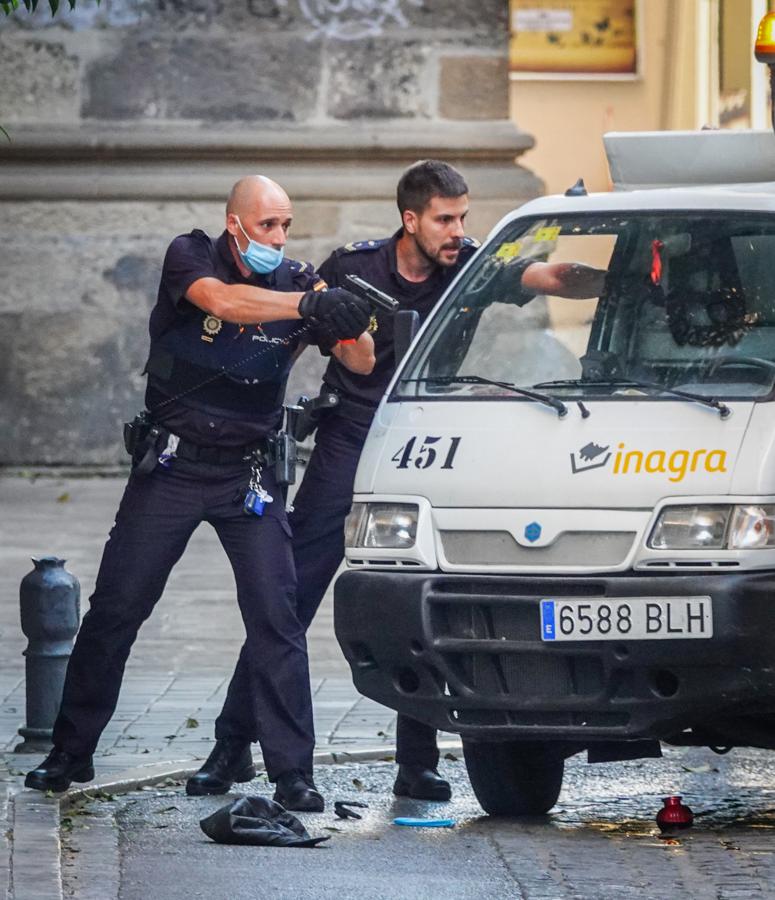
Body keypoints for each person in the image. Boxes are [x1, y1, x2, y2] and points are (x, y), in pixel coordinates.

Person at [188, 163, 609, 803]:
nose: (458, 231)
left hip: (424, 444)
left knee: (417, 591)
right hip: (350, 439)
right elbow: (297, 337)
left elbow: (548, 275)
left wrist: (617, 280)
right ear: (410, 220)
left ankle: (417, 765)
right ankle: (232, 744)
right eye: (445, 218)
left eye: (463, 218)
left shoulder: (467, 266)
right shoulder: (352, 268)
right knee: (288, 598)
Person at [24, 175, 374, 813]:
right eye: (267, 225)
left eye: (286, 226)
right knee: (117, 610)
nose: (279, 238)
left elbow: (361, 362)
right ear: (235, 223)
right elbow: (225, 302)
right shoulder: (191, 256)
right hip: (174, 469)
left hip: (249, 475)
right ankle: (70, 752)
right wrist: (305, 307)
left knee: (278, 618)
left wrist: (348, 319)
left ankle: (293, 773)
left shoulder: (299, 279)